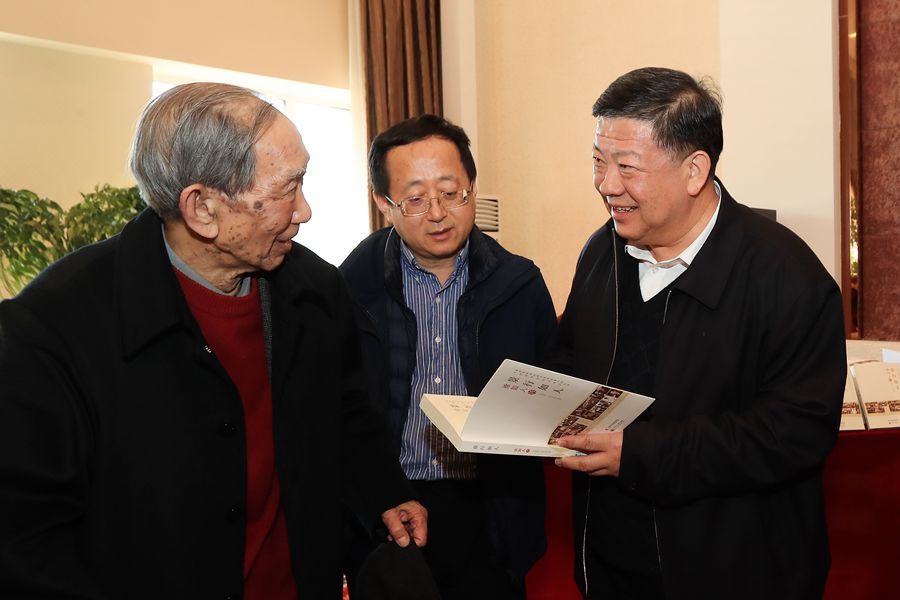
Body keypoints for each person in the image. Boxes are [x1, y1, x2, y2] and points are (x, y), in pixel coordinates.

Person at [0, 82, 426, 599]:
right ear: (202, 208)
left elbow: (347, 414)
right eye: (286, 189)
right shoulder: (53, 328)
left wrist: (383, 492)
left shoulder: (318, 291)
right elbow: (27, 540)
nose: (305, 211)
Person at [548, 67, 846, 599]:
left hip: (735, 569)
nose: (606, 184)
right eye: (598, 162)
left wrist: (643, 454)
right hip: (612, 561)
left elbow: (794, 433)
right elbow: (573, 362)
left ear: (694, 170)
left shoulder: (784, 274)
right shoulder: (602, 253)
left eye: (626, 167)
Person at [340, 114, 557, 599]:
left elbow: (551, 388)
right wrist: (374, 497)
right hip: (388, 504)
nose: (437, 213)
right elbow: (338, 411)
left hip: (491, 506)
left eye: (451, 192)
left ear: (473, 188)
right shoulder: (350, 288)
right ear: (384, 204)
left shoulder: (519, 284)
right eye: (415, 199)